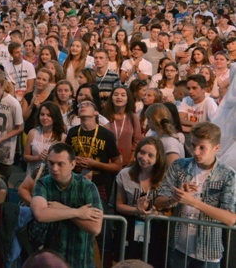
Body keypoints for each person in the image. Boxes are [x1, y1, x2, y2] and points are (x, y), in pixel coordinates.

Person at [154, 122, 236, 268]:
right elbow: (158, 201)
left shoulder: (227, 175)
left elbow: (230, 219)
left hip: (209, 252)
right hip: (177, 247)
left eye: (202, 147)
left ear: (216, 148)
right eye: (193, 145)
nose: (195, 152)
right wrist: (175, 198)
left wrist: (193, 202)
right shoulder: (179, 166)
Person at [30, 142, 103, 268]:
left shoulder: (87, 187)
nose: (54, 168)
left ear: (72, 164)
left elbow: (95, 227)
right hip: (52, 259)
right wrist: (78, 212)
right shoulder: (43, 184)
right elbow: (40, 214)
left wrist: (62, 209)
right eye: (51, 163)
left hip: (80, 259)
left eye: (60, 164)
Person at [115, 136, 168, 265]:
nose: (144, 158)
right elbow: (119, 205)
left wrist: (155, 214)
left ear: (158, 158)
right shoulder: (125, 174)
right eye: (142, 152)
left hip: (156, 231)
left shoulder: (165, 178)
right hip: (130, 227)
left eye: (150, 155)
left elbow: (169, 211)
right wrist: (137, 210)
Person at [66, 99, 122, 205]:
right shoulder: (72, 132)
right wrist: (73, 161)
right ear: (77, 114)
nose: (82, 106)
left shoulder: (106, 134)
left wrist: (95, 164)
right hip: (75, 183)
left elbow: (118, 166)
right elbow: (65, 158)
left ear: (96, 112)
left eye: (87, 104)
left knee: (96, 216)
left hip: (99, 185)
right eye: (80, 105)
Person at [24, 101, 67, 176]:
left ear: (55, 117)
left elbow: (63, 161)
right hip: (32, 174)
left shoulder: (62, 137)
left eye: (49, 115)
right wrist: (38, 157)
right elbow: (25, 157)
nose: (44, 118)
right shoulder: (32, 133)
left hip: (51, 176)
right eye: (42, 114)